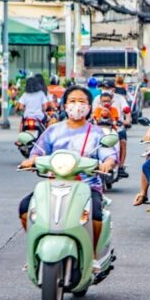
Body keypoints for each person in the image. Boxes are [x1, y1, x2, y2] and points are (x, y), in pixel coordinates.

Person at [18, 86, 117, 256]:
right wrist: (30, 161)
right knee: (26, 209)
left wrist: (107, 163)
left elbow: (109, 154)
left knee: (95, 215)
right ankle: (36, 247)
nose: (77, 105)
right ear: (64, 105)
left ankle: (91, 254)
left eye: (82, 101)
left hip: (87, 186)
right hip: (53, 184)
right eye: (72, 101)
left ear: (89, 107)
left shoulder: (96, 132)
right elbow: (38, 152)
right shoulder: (53, 130)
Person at [93, 80, 131, 178]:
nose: (104, 90)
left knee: (123, 142)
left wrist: (127, 120)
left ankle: (121, 167)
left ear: (113, 89)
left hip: (116, 127)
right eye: (103, 88)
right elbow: (93, 114)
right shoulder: (97, 99)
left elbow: (126, 111)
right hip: (100, 128)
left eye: (107, 88)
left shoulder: (120, 98)